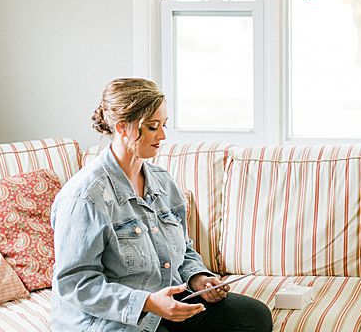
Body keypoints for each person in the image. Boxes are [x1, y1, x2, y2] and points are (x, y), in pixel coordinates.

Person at [50, 78, 272, 332]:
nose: (163, 136)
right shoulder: (83, 198)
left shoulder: (163, 182)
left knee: (253, 316)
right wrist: (147, 302)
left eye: (163, 125)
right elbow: (75, 284)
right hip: (111, 319)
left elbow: (184, 248)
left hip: (166, 303)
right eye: (153, 127)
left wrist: (198, 278)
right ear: (123, 127)